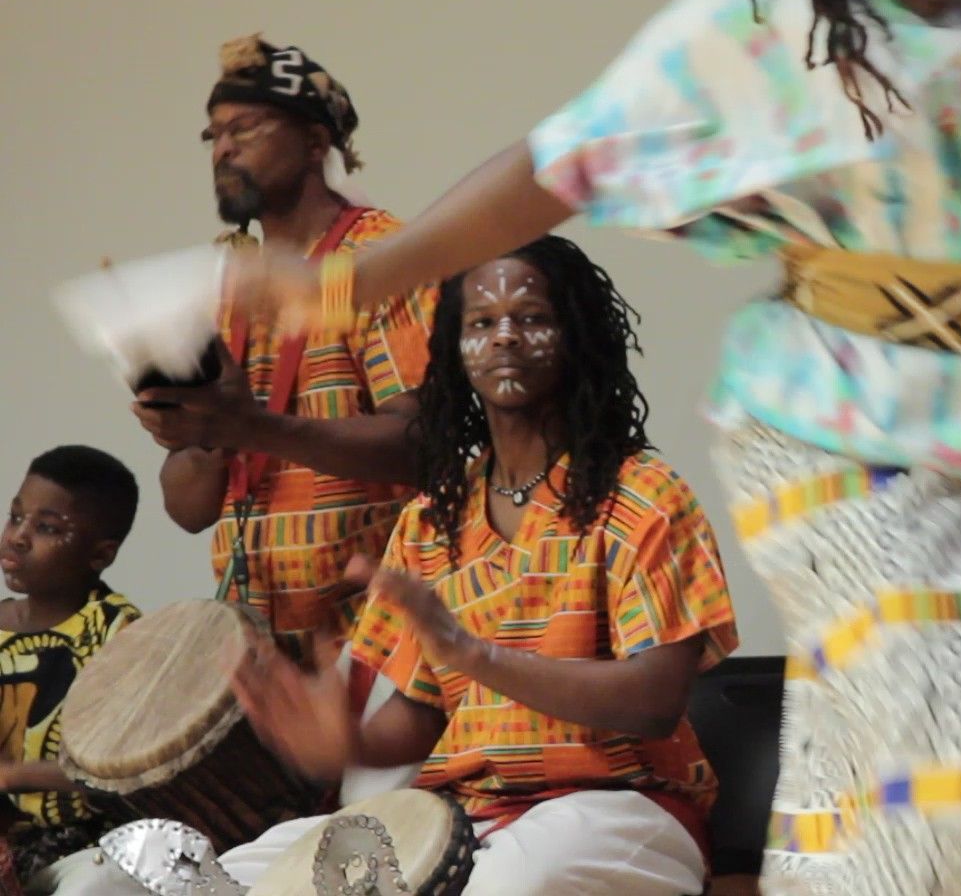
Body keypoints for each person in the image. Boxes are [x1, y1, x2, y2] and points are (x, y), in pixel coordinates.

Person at [227, 0, 961, 891]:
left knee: (904, 811)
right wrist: (363, 277)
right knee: (926, 774)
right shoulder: (767, 12)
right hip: (847, 431)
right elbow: (563, 161)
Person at [66, 237, 738, 896]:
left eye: (531, 318)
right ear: (454, 351)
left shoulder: (644, 494)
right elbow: (418, 715)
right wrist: (342, 743)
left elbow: (653, 701)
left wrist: (472, 655)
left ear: (579, 336)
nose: (503, 336)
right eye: (481, 322)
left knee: (518, 883)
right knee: (229, 874)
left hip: (621, 806)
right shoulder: (433, 519)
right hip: (462, 810)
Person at [129, 36, 435, 672]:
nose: (224, 148)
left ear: (316, 143)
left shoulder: (379, 261)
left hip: (382, 643)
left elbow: (420, 444)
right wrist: (196, 434)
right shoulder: (230, 284)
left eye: (245, 127)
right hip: (263, 647)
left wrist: (253, 426)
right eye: (212, 135)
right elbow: (190, 510)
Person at [0, 447, 141, 892]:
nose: (18, 537)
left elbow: (126, 769)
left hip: (89, 844)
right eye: (15, 517)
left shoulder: (118, 632)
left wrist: (11, 775)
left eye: (47, 528)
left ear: (100, 555)